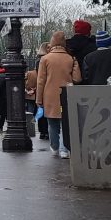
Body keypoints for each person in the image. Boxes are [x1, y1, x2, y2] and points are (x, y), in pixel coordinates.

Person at [36, 31, 81, 159]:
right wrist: (75, 64)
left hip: (49, 96)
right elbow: (77, 79)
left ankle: (54, 147)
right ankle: (64, 150)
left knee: (52, 124)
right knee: (65, 124)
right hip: (66, 95)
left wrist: (39, 99)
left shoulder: (45, 59)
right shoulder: (70, 58)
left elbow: (40, 81)